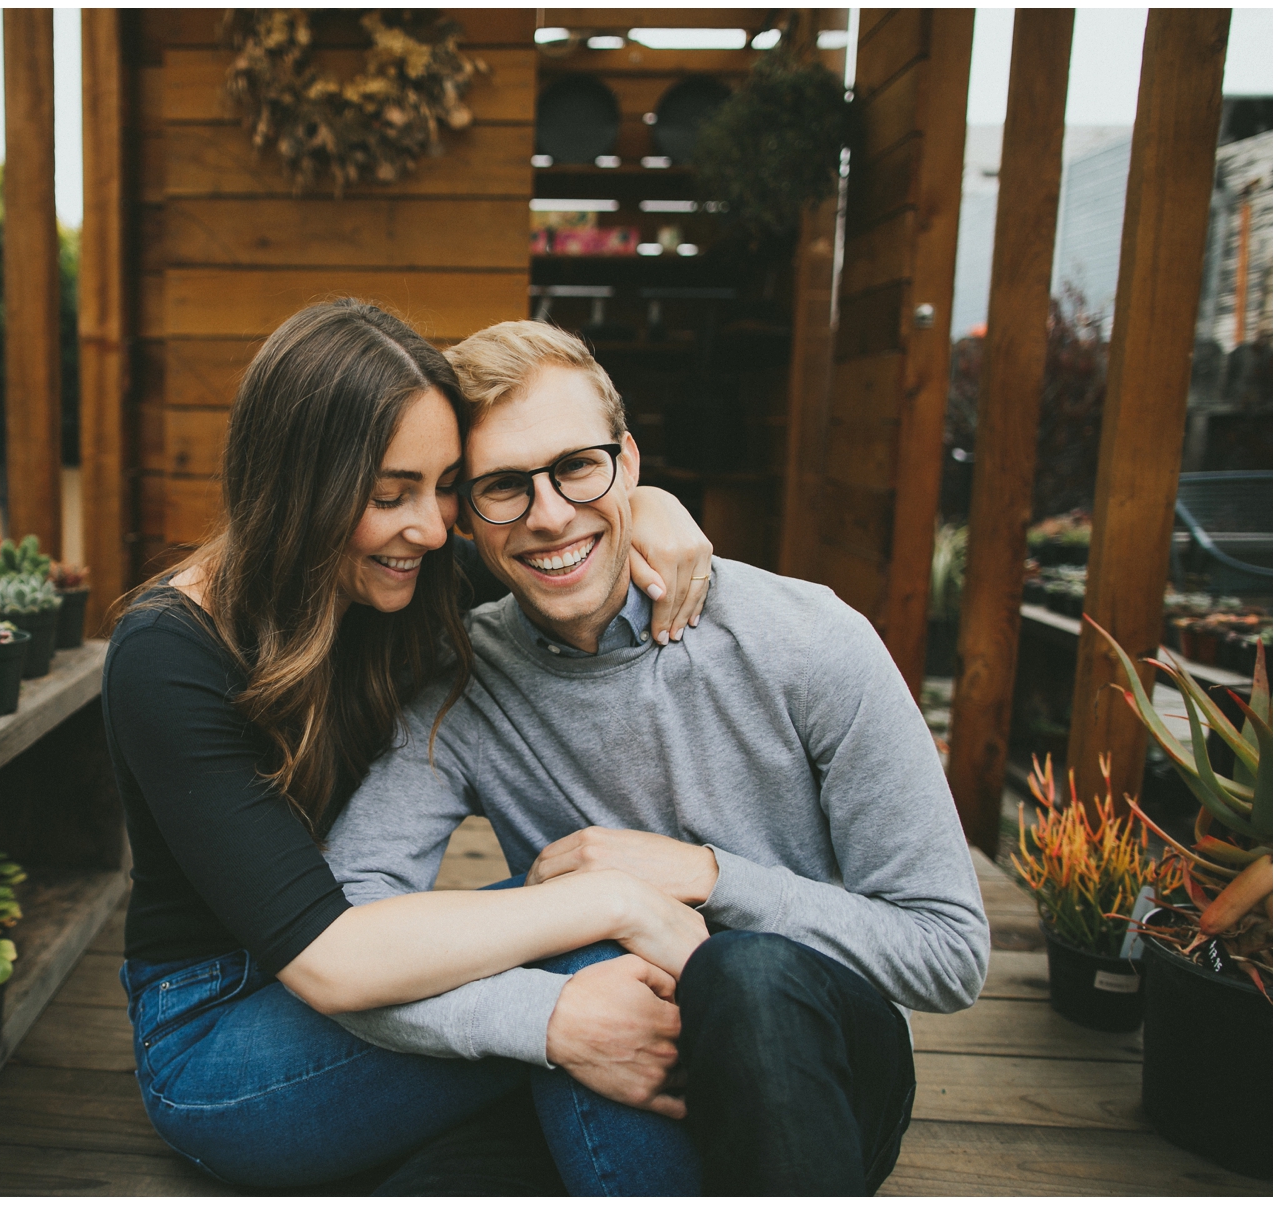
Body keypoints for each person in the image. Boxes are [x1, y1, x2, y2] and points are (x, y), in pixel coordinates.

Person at [324, 319, 990, 1196]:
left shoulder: (811, 640)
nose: (551, 512)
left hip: (813, 1072)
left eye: (576, 466)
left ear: (629, 464)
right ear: (462, 518)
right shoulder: (462, 682)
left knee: (743, 973)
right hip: (618, 1068)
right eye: (503, 487)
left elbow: (947, 950)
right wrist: (542, 1015)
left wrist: (706, 875)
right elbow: (351, 916)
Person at [102, 299, 722, 1189]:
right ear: (298, 487)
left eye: (441, 487)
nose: (432, 529)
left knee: (596, 979)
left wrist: (648, 502)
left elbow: (564, 529)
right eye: (390, 495)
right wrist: (615, 909)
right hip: (222, 1034)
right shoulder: (168, 654)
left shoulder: (406, 572)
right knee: (591, 965)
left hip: (373, 949)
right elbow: (331, 958)